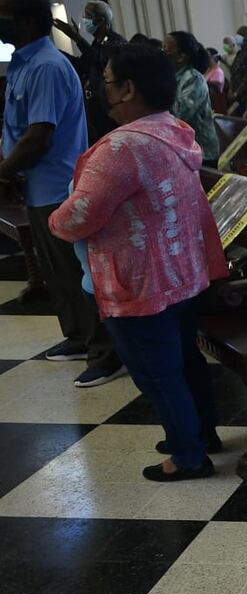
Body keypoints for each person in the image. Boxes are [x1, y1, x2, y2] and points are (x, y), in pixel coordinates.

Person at [51, 44, 228, 480]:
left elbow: (78, 216)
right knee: (185, 360)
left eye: (106, 82)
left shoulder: (121, 148)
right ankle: (202, 432)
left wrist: (55, 218)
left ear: (128, 89)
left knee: (157, 374)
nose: (101, 89)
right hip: (182, 273)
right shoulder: (175, 130)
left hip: (140, 284)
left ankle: (188, 455)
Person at [1, 0, 123, 387]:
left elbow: (39, 135)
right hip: (36, 187)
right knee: (57, 272)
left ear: (27, 20)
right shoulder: (24, 64)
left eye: (5, 13)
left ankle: (106, 352)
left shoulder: (47, 67)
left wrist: (3, 172)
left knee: (78, 272)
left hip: (58, 185)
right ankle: (77, 336)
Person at [52, 1, 125, 144]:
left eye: (88, 16)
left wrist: (77, 39)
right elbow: (83, 65)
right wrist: (54, 52)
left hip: (109, 110)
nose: (84, 19)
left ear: (101, 20)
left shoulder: (115, 42)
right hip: (96, 110)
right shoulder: (96, 43)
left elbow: (101, 61)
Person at [163, 31, 220, 164]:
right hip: (184, 150)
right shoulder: (172, 77)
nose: (161, 54)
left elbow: (180, 115)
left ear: (181, 57)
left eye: (166, 50)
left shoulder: (193, 79)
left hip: (202, 152)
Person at [229, 26, 247, 111]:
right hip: (235, 95)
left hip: (246, 96)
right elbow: (233, 73)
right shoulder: (239, 54)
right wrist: (231, 90)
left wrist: (236, 93)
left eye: (240, 36)